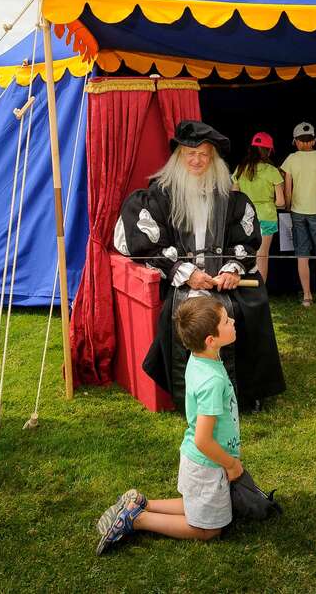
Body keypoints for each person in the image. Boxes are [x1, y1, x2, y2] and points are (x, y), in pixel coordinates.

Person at [114, 120, 285, 413]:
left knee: (251, 307)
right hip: (182, 283)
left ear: (214, 160)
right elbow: (145, 244)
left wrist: (231, 269)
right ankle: (190, 396)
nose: (197, 160)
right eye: (190, 154)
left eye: (205, 154)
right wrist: (186, 272)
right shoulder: (159, 196)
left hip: (224, 283)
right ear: (179, 157)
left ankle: (246, 392)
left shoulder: (232, 200)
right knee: (190, 315)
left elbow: (245, 243)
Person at [96, 295, 243, 554]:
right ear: (211, 340)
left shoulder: (201, 358)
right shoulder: (212, 381)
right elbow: (203, 440)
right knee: (209, 530)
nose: (233, 321)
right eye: (226, 321)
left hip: (199, 463)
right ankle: (137, 519)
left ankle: (140, 503)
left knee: (195, 504)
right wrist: (230, 463)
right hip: (207, 464)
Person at [281, 122, 316, 309]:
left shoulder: (290, 159)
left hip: (297, 211)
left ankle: (307, 296)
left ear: (295, 141)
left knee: (302, 256)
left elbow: (288, 189)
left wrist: (288, 206)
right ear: (314, 140)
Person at [232, 132, 284, 283]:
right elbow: (280, 202)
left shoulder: (240, 169)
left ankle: (245, 292)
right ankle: (260, 292)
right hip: (267, 217)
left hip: (245, 218)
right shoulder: (272, 171)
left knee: (244, 255)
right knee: (262, 256)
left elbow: (234, 196)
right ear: (268, 151)